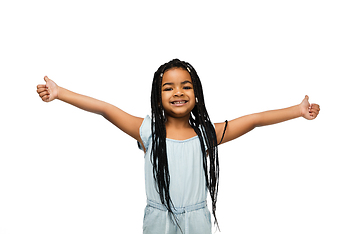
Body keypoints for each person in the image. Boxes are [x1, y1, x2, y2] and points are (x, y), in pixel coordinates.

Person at [37, 59, 320, 234]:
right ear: (157, 96)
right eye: (168, 87)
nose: (178, 92)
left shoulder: (205, 134)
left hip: (197, 221)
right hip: (158, 220)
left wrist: (297, 110)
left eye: (185, 86)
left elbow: (255, 120)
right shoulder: (148, 131)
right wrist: (61, 93)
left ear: (196, 94)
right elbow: (104, 109)